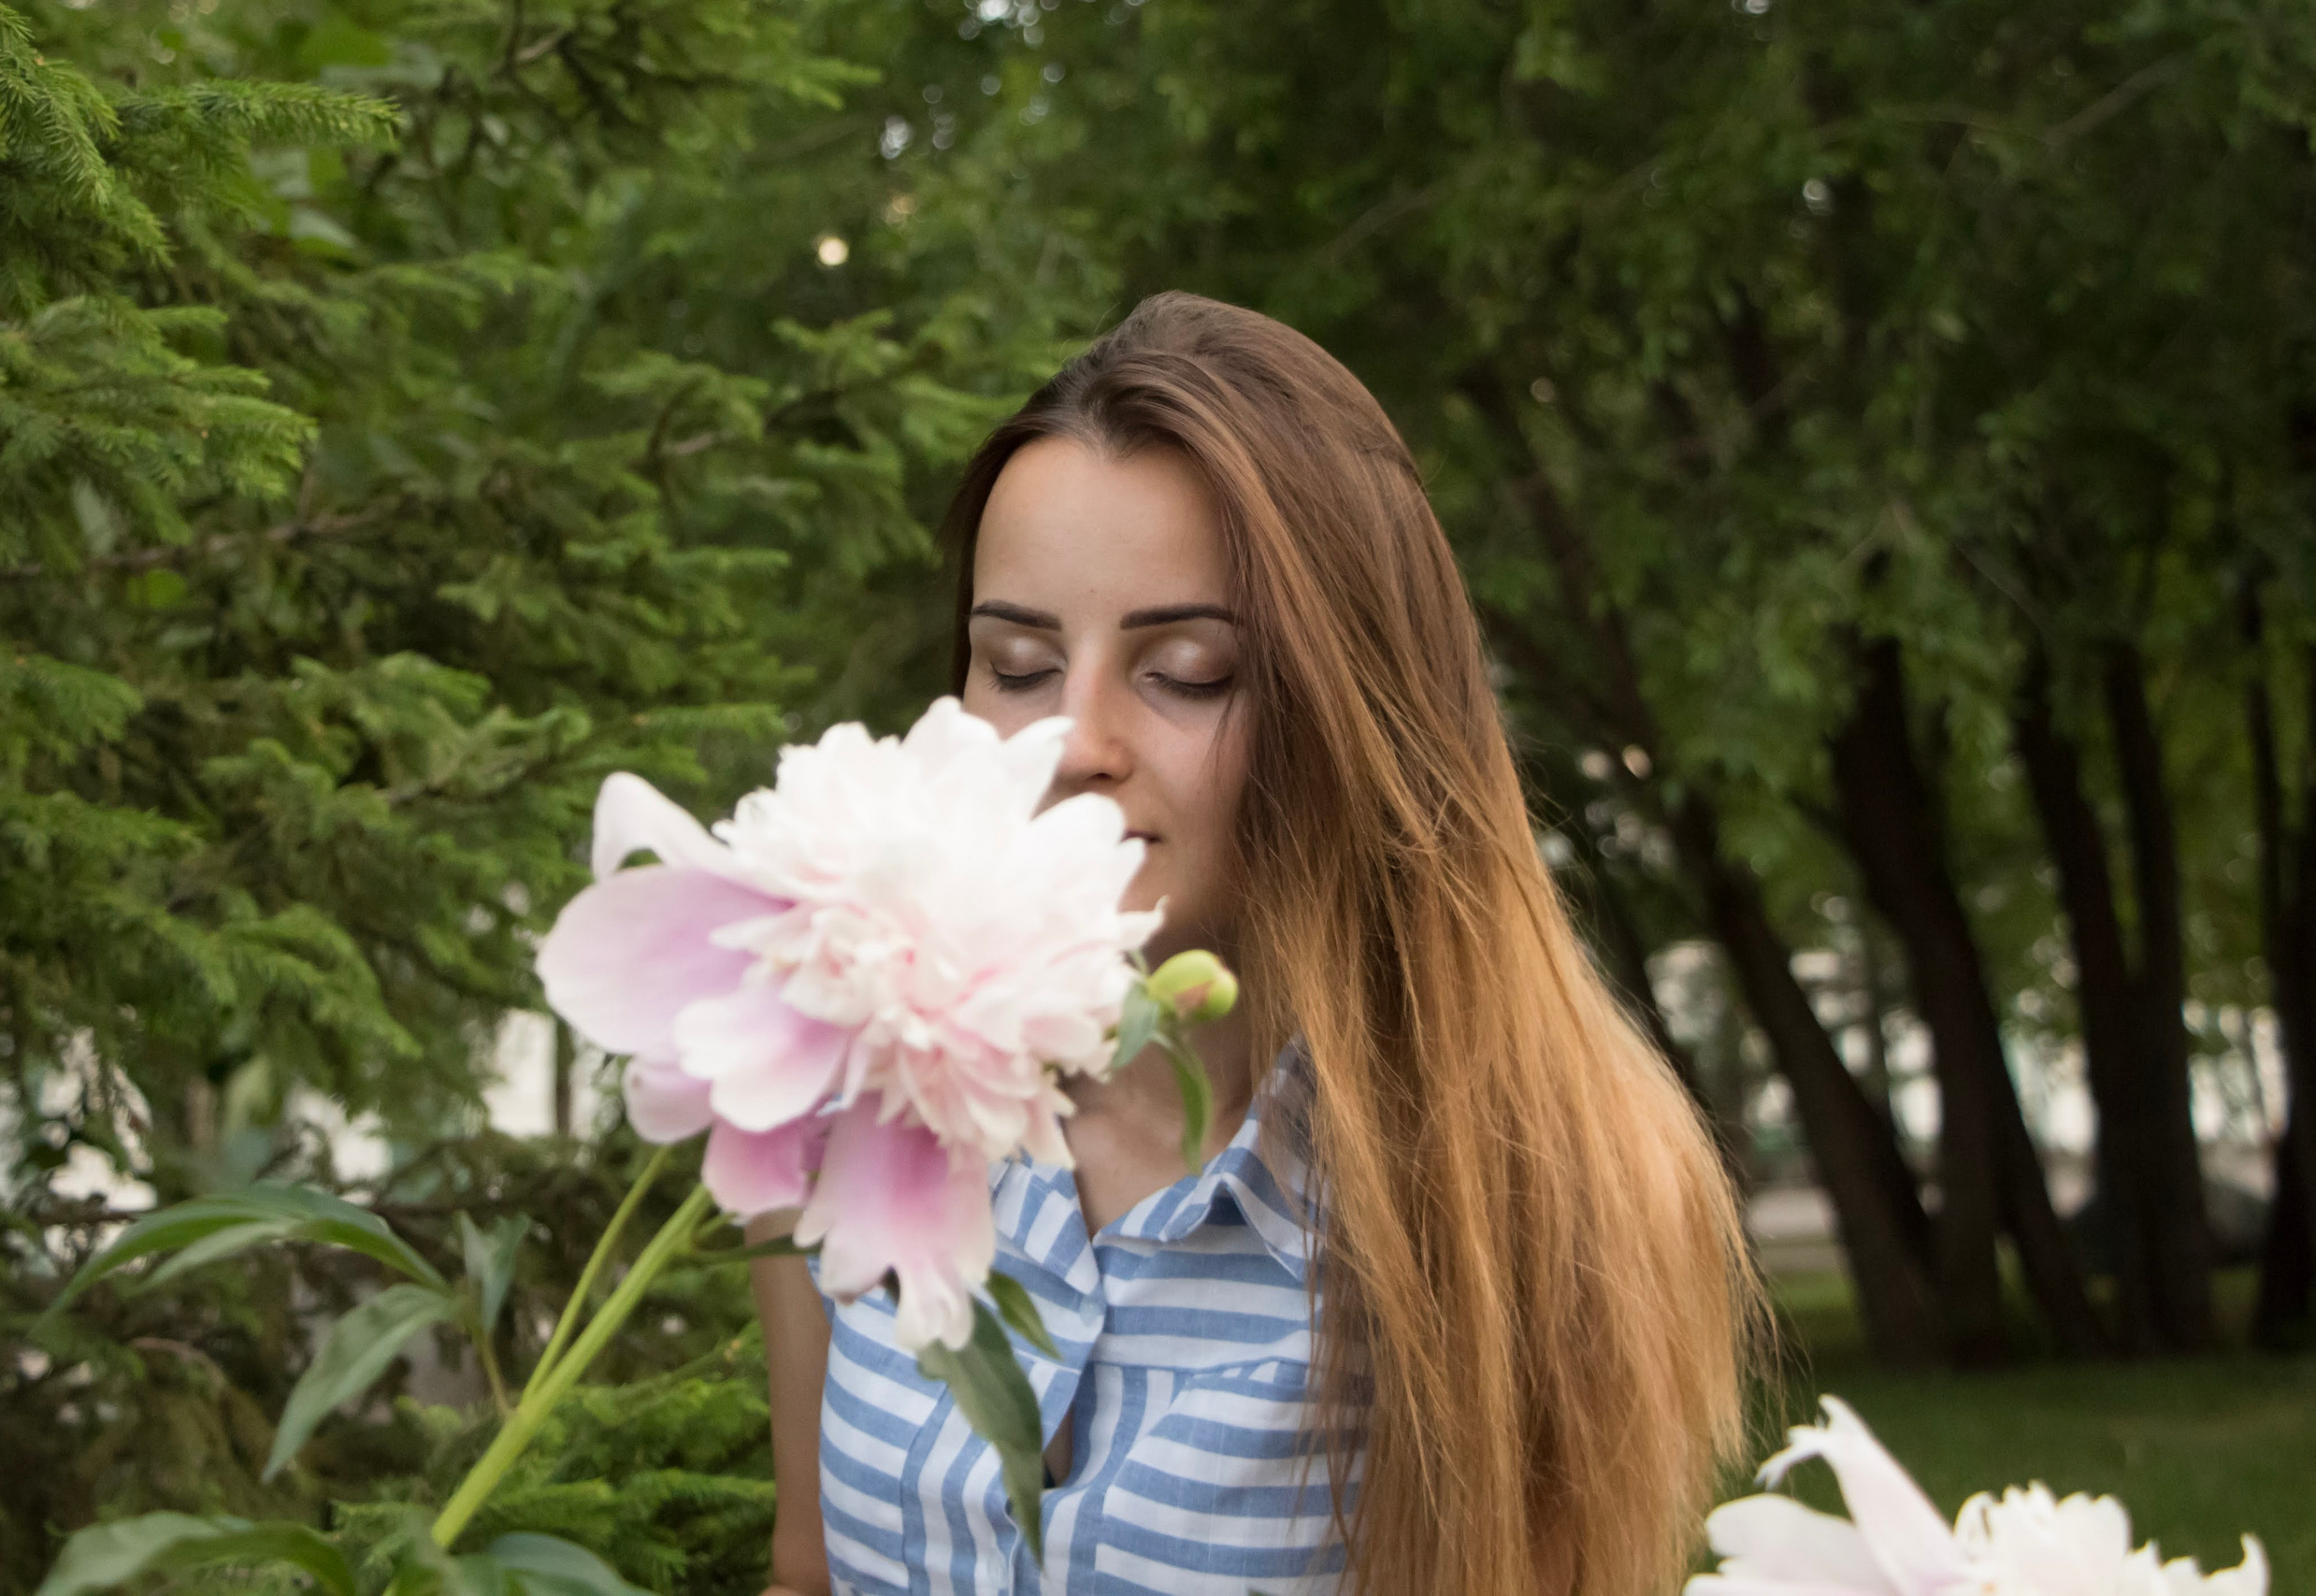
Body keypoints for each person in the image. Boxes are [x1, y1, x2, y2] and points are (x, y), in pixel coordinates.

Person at [747, 293, 1751, 1596]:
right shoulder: (843, 1099)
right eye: (1016, 663)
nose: (1075, 743)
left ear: (1353, 712)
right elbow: (807, 1572)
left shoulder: (1536, 1195)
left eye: (1187, 672)